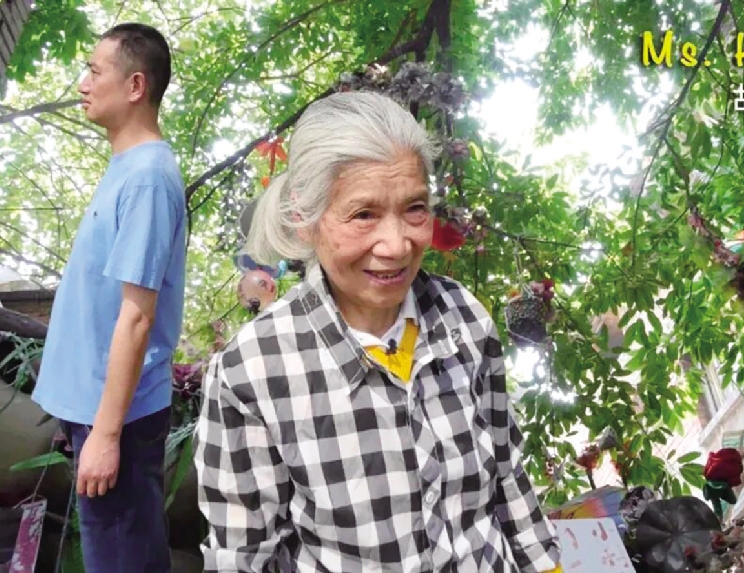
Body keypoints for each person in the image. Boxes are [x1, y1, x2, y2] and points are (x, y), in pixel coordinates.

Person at [193, 91, 562, 572]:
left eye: (414, 208)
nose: (396, 245)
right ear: (305, 219)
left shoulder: (464, 319)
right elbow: (242, 557)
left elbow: (507, 472)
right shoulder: (251, 371)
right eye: (363, 214)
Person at [31, 23, 186, 573]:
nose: (83, 84)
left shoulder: (147, 178)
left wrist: (107, 432)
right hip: (99, 411)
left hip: (118, 416)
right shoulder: (127, 169)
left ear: (136, 85)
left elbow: (137, 317)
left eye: (95, 72)